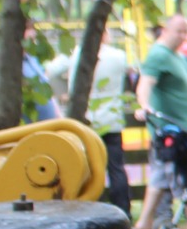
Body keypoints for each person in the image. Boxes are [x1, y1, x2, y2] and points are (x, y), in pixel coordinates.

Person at [47, 27, 132, 214]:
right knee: (116, 168)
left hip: (87, 119)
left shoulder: (78, 53)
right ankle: (123, 211)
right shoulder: (118, 55)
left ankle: (94, 209)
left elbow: (52, 70)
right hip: (111, 117)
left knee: (92, 168)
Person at [133, 14, 187, 229]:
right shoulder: (158, 55)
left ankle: (147, 221)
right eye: (179, 31)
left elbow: (183, 91)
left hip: (183, 127)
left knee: (167, 176)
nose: (183, 36)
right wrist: (144, 105)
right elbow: (145, 84)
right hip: (168, 131)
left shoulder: (178, 56)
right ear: (166, 30)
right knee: (178, 175)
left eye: (186, 31)